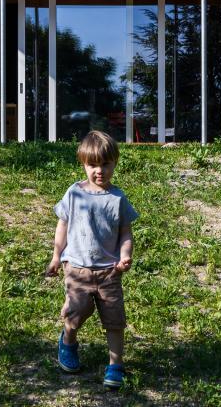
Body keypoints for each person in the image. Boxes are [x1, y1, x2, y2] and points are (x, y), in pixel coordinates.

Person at [45, 130, 138, 389]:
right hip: (77, 269)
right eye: (92, 165)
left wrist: (125, 255)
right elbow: (62, 225)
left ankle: (115, 365)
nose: (99, 171)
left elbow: (126, 232)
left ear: (115, 163)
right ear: (83, 164)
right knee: (76, 312)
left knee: (115, 319)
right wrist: (56, 257)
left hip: (109, 271)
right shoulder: (74, 193)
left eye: (105, 164)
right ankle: (68, 342)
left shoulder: (118, 198)